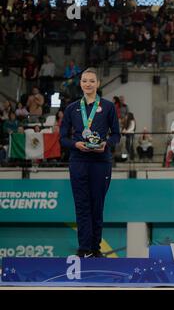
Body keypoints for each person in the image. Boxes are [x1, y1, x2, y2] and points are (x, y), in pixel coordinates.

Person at [60, 68, 120, 258]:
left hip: (101, 162)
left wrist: (107, 144)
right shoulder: (71, 108)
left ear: (98, 83)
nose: (88, 84)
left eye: (91, 81)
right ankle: (84, 248)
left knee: (97, 206)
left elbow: (117, 135)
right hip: (78, 161)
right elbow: (62, 138)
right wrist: (75, 144)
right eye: (84, 81)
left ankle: (95, 248)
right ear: (80, 84)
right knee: (82, 205)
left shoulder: (108, 107)